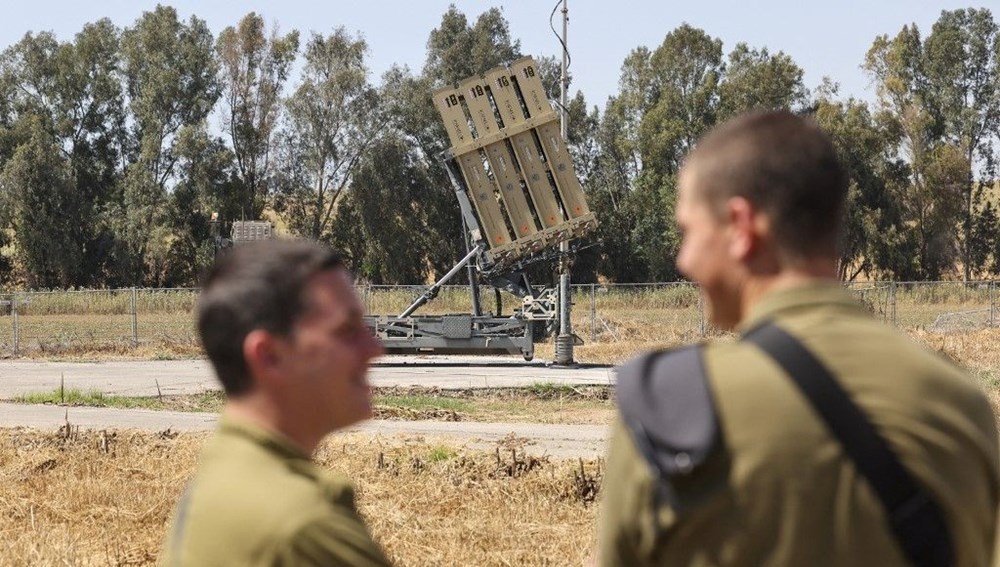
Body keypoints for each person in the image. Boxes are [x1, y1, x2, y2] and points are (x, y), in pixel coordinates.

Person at [597, 110, 999, 566]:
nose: (682, 260)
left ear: (740, 227)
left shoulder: (671, 410)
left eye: (688, 231)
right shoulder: (961, 405)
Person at [159, 239, 391, 566]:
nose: (374, 348)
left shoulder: (215, 485)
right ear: (269, 356)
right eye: (347, 330)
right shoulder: (306, 526)